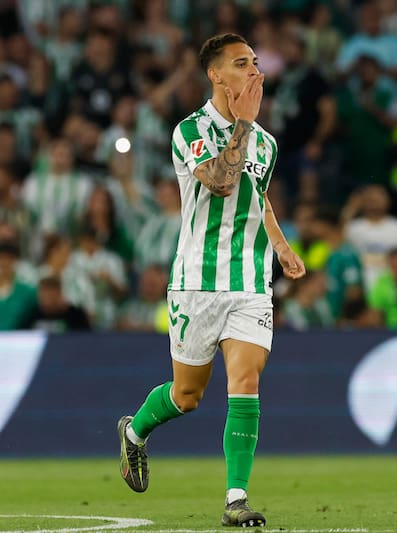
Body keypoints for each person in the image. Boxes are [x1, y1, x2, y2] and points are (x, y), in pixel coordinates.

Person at [116, 33, 306, 528]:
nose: (254, 73)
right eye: (242, 64)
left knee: (245, 381)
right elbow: (221, 182)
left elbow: (256, 195)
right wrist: (242, 123)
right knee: (188, 396)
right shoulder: (191, 130)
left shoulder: (265, 141)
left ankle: (235, 499)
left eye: (256, 63)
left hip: (249, 281)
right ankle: (135, 433)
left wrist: (281, 245)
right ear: (215, 75)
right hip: (196, 282)